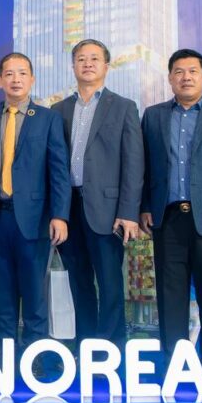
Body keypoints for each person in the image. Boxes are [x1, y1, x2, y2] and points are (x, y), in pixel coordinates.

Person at [139, 48, 202, 378]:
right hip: (167, 218)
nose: (186, 77)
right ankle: (174, 361)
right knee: (170, 294)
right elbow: (144, 168)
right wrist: (144, 206)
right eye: (179, 72)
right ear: (170, 78)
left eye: (193, 71)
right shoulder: (153, 116)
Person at [52, 39, 143, 346]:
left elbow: (134, 163)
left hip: (107, 210)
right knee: (78, 282)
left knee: (110, 283)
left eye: (94, 58)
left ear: (106, 65)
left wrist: (128, 212)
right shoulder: (59, 110)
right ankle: (86, 344)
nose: (87, 64)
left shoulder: (124, 107)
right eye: (81, 59)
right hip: (68, 209)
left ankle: (110, 347)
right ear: (73, 66)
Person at [0, 53, 70, 369]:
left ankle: (36, 357)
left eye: (22, 73)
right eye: (9, 73)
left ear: (32, 79)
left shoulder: (47, 118)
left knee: (34, 294)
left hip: (35, 220)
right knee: (2, 294)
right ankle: (4, 357)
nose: (15, 79)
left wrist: (60, 215)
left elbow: (59, 171)